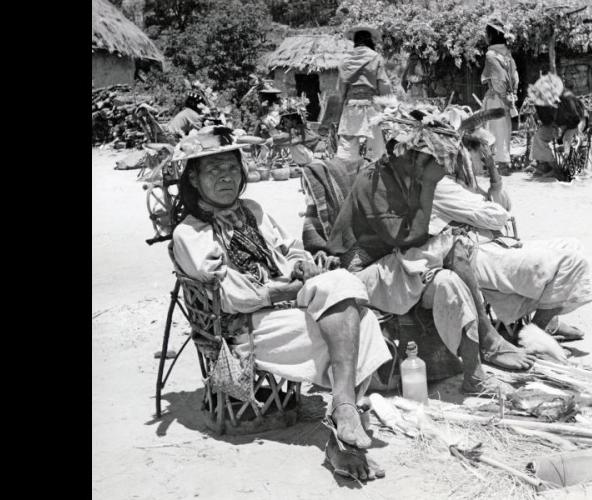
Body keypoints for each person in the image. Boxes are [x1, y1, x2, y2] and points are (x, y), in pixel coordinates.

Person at [170, 127, 391, 482]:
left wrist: (301, 265)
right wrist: (280, 292)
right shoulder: (191, 232)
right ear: (194, 179)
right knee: (358, 323)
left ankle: (343, 415)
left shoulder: (253, 211)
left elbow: (290, 249)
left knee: (347, 296)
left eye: (231, 168)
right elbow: (229, 296)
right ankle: (345, 417)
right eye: (213, 170)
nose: (226, 177)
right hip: (247, 327)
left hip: (287, 308)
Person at [327, 113, 537, 397]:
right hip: (363, 273)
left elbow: (414, 234)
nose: (440, 167)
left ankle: (475, 372)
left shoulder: (407, 176)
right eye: (433, 160)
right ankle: (488, 340)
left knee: (450, 279)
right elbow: (401, 236)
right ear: (411, 155)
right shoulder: (374, 180)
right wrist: (428, 186)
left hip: (396, 264)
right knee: (454, 249)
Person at [430, 122, 592, 352]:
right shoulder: (444, 186)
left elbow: (501, 209)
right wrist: (491, 211)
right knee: (573, 263)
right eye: (486, 155)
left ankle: (547, 322)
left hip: (495, 244)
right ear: (469, 152)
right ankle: (533, 336)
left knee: (573, 246)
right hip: (478, 253)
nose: (490, 160)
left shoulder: (467, 182)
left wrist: (495, 177)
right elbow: (497, 216)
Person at [335, 25, 392, 162]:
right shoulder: (376, 58)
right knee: (376, 148)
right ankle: (374, 177)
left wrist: (341, 108)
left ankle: (346, 176)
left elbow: (341, 90)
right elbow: (384, 84)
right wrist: (387, 106)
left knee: (347, 148)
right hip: (371, 107)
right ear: (370, 41)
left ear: (355, 41)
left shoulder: (345, 60)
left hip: (351, 107)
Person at [527, 74, 586, 180]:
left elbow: (576, 119)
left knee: (566, 141)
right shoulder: (540, 101)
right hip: (557, 124)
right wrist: (553, 126)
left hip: (575, 123)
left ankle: (566, 169)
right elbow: (546, 121)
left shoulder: (567, 98)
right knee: (539, 135)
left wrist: (562, 128)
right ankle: (552, 167)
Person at [481, 18, 519, 177]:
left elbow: (498, 79)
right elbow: (515, 76)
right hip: (507, 98)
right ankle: (504, 162)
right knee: (504, 129)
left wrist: (502, 95)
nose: (485, 36)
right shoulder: (507, 54)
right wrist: (511, 96)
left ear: (492, 35)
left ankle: (497, 164)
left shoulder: (491, 55)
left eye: (487, 33)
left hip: (497, 97)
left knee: (494, 130)